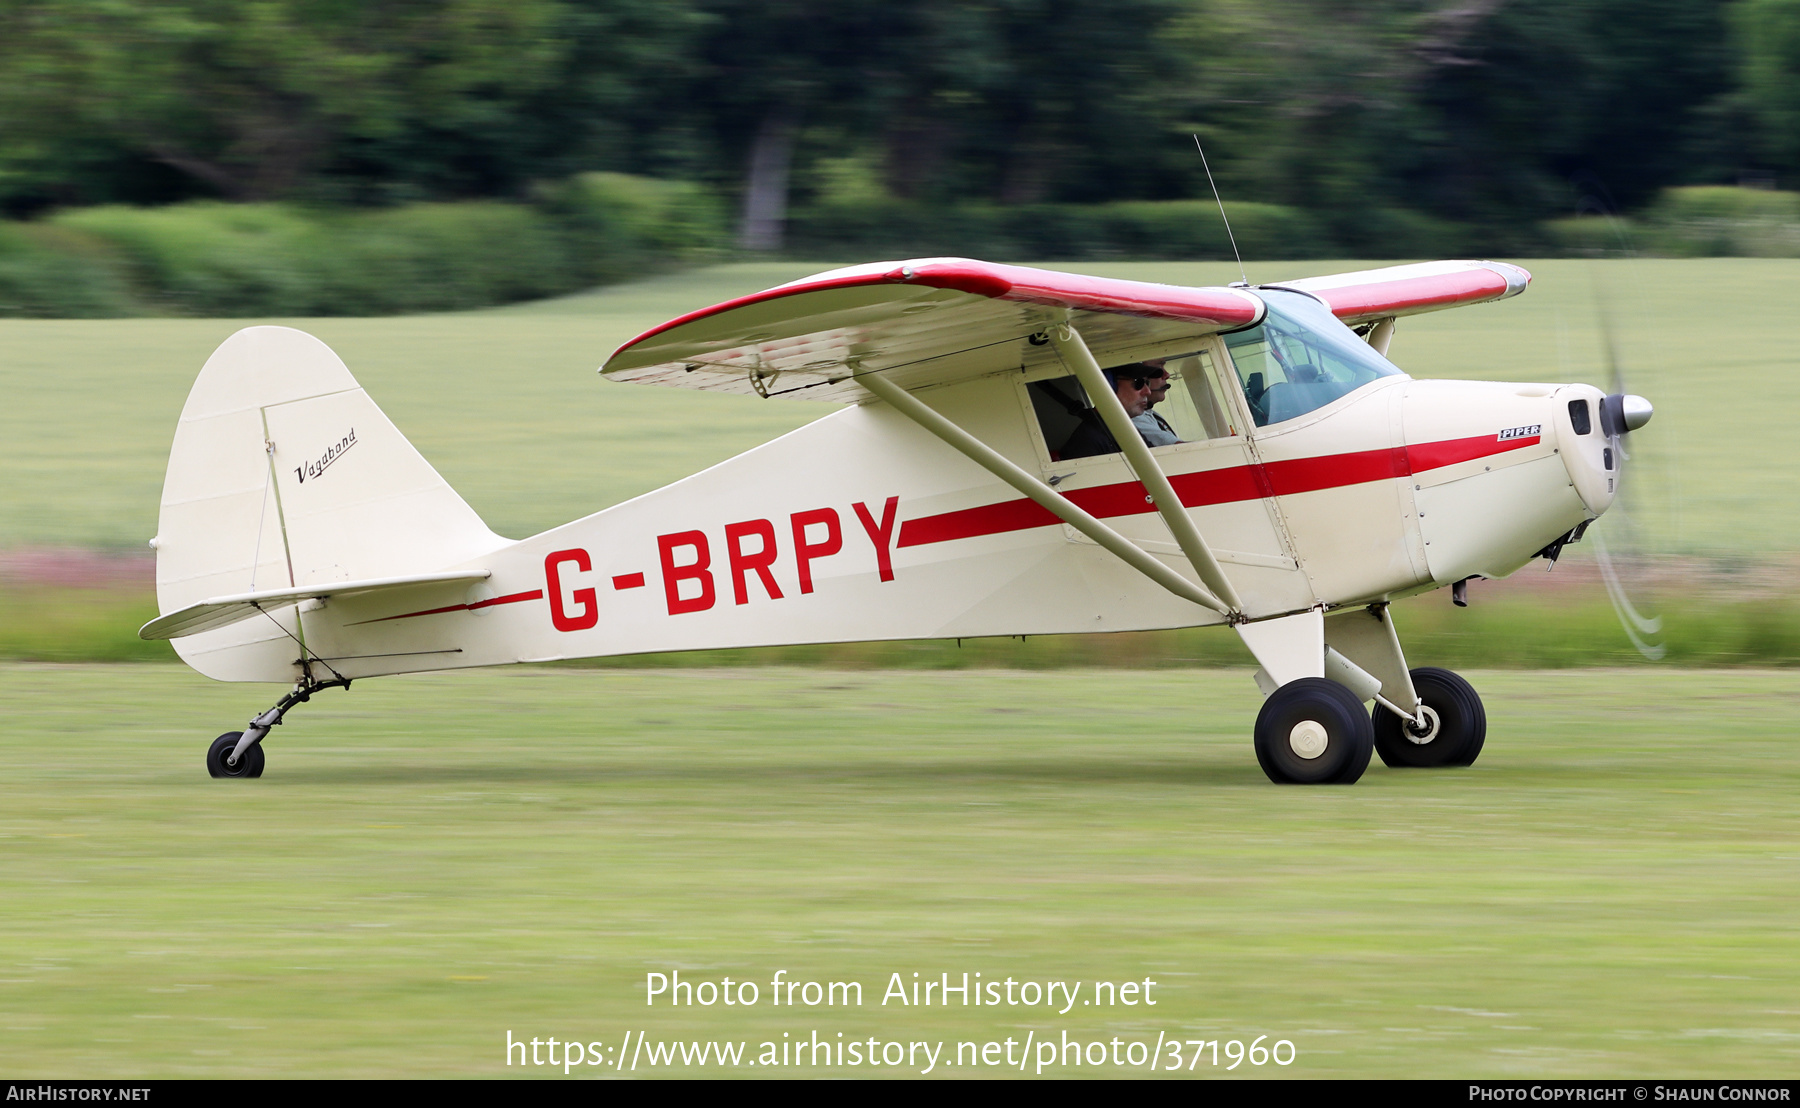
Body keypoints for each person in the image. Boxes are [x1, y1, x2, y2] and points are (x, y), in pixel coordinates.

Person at [1060, 365, 1158, 459]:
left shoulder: (1124, 430)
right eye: (1139, 383)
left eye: (1147, 383)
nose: (1148, 391)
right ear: (1109, 386)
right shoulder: (1087, 441)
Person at [1131, 360, 1181, 446]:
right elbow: (1179, 448)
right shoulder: (1133, 418)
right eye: (1158, 368)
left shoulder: (1151, 414)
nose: (1167, 375)